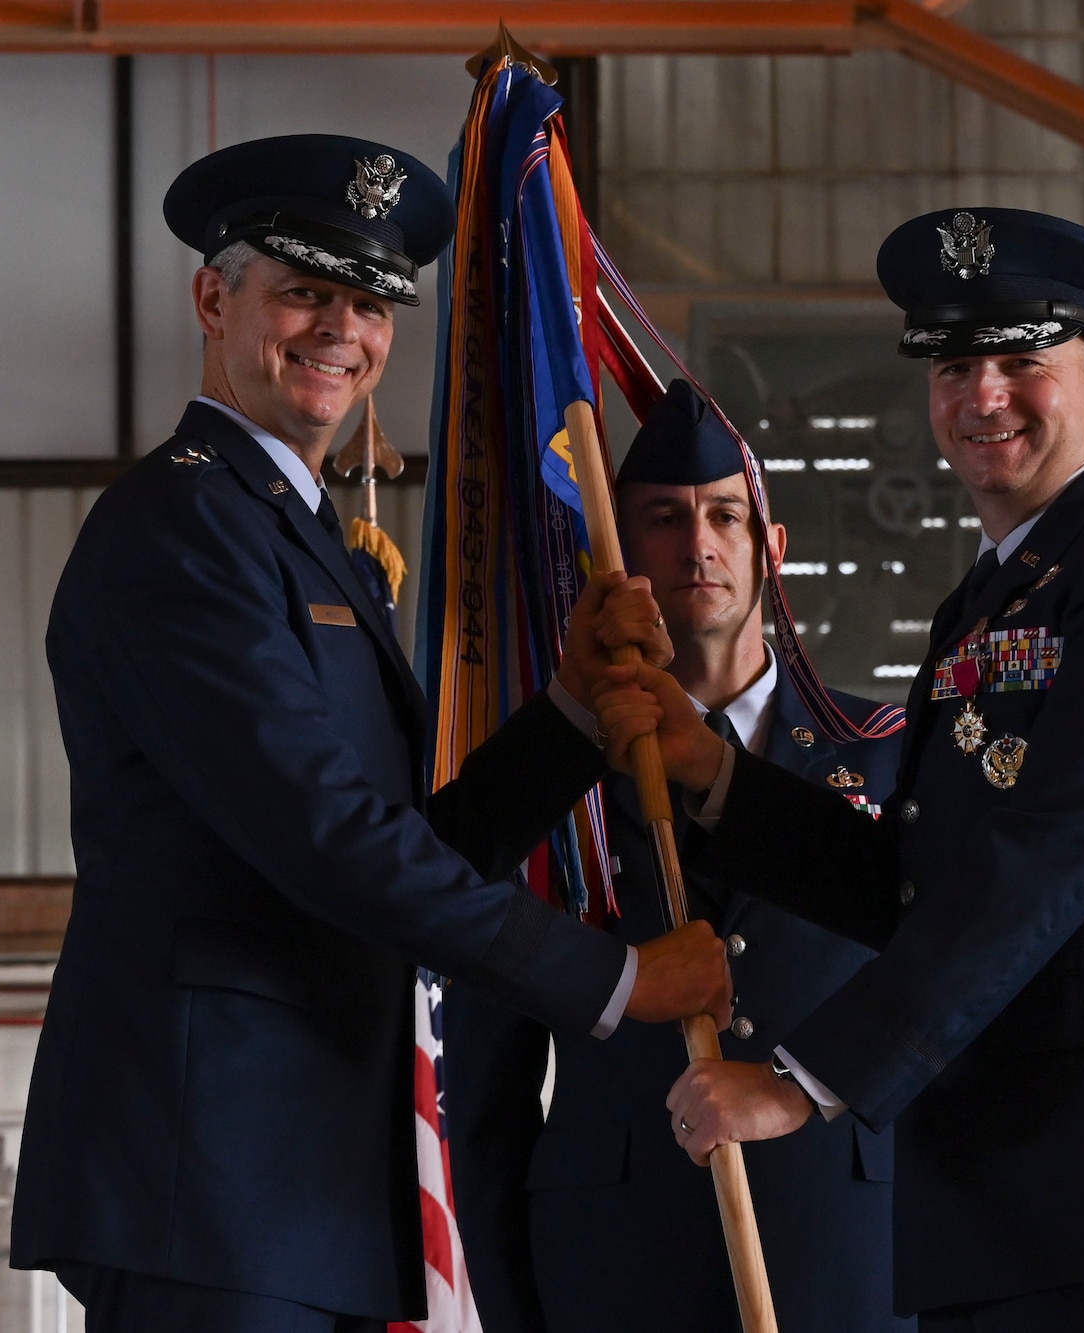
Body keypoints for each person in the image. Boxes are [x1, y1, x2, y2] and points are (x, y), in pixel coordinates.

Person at [9, 135, 732, 1333]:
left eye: (370, 302)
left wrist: (565, 716)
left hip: (306, 1174)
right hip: (214, 1172)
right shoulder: (179, 527)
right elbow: (325, 838)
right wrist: (612, 981)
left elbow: (406, 836)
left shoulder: (305, 536)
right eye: (302, 290)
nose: (340, 329)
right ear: (212, 297)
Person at [597, 208, 1084, 1333]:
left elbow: (1043, 864)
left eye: (1022, 360)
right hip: (987, 1192)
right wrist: (712, 774)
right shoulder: (989, 599)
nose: (982, 395)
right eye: (956, 364)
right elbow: (915, 882)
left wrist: (803, 1078)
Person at [444, 381, 914, 1333]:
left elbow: (954, 1003)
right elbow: (485, 1101)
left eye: (725, 516)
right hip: (613, 1268)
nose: (697, 542)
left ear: (771, 551)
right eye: (661, 518)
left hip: (856, 1257)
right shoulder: (544, 773)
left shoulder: (888, 750)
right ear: (616, 558)